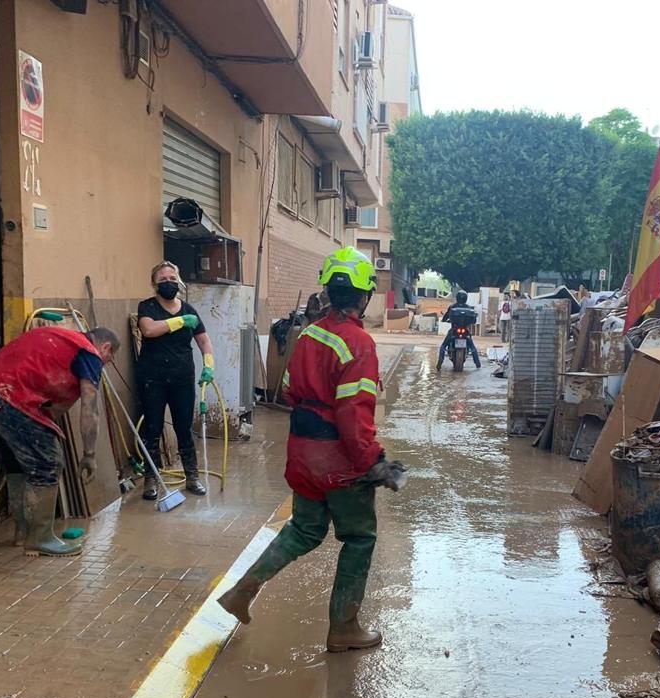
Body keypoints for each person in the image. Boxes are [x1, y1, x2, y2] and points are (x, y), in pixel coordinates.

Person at [218, 246, 404, 653]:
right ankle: (344, 628)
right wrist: (375, 462)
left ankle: (241, 593)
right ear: (364, 295)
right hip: (338, 459)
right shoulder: (359, 343)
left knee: (304, 529)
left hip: (303, 452)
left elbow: (289, 391)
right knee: (358, 538)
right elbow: (353, 418)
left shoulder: (309, 333)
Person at [0, 325, 120, 556]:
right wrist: (89, 455)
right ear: (105, 347)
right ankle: (40, 538)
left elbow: (54, 408)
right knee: (47, 463)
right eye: (109, 358)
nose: (105, 363)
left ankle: (23, 532)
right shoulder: (88, 353)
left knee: (18, 462)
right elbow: (90, 408)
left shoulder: (61, 339)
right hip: (7, 395)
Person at [136, 261, 214, 499]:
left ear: (178, 281)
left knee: (183, 428)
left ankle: (192, 476)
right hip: (152, 378)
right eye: (162, 280)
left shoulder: (189, 308)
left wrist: (208, 365)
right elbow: (148, 330)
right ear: (154, 284)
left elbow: (203, 340)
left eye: (172, 278)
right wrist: (178, 322)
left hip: (182, 377)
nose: (168, 283)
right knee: (153, 428)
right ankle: (152, 478)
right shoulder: (147, 307)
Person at [437, 291, 481, 369]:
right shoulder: (469, 308)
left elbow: (446, 316)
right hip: (465, 331)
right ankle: (477, 364)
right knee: (472, 347)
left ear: (457, 298)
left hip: (454, 330)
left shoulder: (452, 307)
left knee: (443, 345)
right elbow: (474, 320)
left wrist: (443, 320)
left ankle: (440, 363)